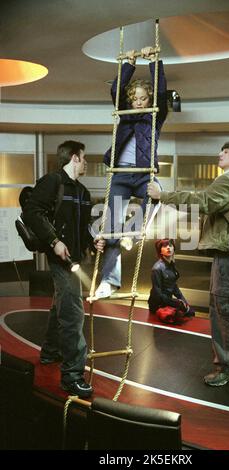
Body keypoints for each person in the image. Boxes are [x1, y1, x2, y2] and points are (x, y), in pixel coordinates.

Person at [148, 142, 229, 387]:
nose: (219, 155)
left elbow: (203, 201)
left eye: (225, 152)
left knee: (223, 311)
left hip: (228, 257)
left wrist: (164, 196)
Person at [23, 140, 104, 398]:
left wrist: (93, 241)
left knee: (62, 305)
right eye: (84, 157)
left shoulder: (82, 193)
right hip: (60, 260)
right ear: (74, 158)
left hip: (75, 259)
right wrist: (54, 241)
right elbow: (32, 212)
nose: (87, 162)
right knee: (73, 314)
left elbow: (82, 229)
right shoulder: (51, 182)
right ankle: (72, 376)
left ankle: (49, 352)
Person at [94, 46, 168, 299]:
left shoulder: (154, 118)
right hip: (121, 175)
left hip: (144, 175)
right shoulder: (125, 117)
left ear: (149, 101)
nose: (137, 102)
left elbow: (160, 91)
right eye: (134, 98)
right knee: (111, 226)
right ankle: (109, 281)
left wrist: (154, 61)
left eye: (142, 99)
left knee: (155, 198)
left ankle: (132, 235)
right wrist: (130, 63)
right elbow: (116, 91)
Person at [148, 238, 195, 324]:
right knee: (180, 317)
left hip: (168, 300)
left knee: (191, 312)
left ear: (174, 248)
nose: (168, 248)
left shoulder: (171, 265)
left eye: (170, 245)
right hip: (158, 304)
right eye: (165, 246)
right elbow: (158, 293)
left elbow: (175, 287)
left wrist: (184, 302)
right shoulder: (157, 268)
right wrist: (176, 303)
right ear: (160, 251)